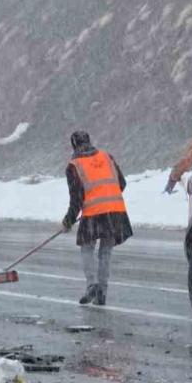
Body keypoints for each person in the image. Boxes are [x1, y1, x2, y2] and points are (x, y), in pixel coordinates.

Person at [61, 131, 132, 306]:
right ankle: (102, 291)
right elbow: (121, 183)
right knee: (105, 251)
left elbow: (76, 200)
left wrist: (68, 221)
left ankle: (92, 285)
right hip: (115, 211)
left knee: (87, 248)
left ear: (74, 145)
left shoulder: (74, 165)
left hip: (93, 213)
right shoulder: (107, 157)